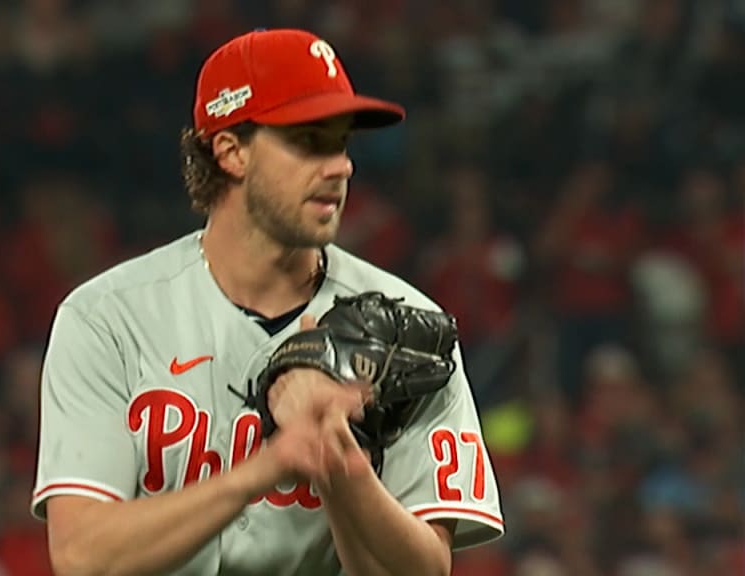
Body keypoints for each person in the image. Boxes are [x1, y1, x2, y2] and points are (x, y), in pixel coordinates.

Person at [31, 28, 504, 576]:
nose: (341, 166)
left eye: (343, 143)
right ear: (231, 151)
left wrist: (337, 455)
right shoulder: (106, 320)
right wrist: (269, 465)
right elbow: (83, 558)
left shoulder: (404, 329)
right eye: (309, 142)